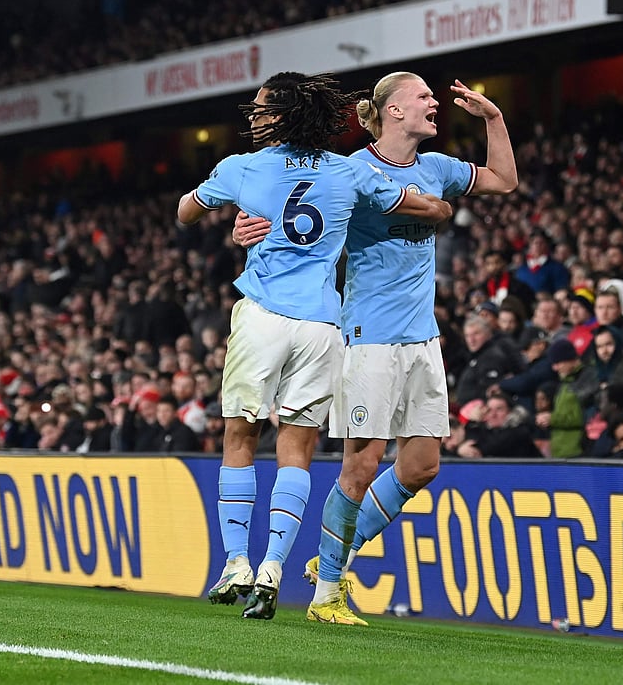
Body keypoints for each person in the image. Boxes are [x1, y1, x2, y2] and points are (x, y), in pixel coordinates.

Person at [236, 72, 515, 625]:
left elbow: (503, 181)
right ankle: (328, 596)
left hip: (423, 337)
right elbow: (291, 212)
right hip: (368, 336)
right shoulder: (350, 171)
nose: (435, 102)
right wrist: (251, 226)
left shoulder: (436, 168)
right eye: (423, 97)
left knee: (421, 465)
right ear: (392, 112)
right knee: (361, 466)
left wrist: (494, 119)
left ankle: (330, 559)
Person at [178, 71, 452, 621]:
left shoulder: (243, 168)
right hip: (324, 323)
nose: (253, 116)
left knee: (240, 434)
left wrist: (233, 223)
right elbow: (426, 208)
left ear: (281, 114)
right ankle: (277, 565)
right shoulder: (346, 171)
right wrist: (438, 209)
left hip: (264, 316)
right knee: (296, 450)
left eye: (260, 109)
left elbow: (186, 211)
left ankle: (237, 559)